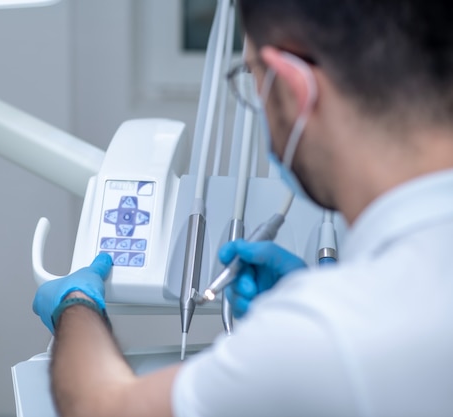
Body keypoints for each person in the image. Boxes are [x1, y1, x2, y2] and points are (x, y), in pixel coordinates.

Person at [33, 1, 453, 416]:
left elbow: (101, 407)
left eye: (252, 78)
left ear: (293, 88)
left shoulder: (333, 332)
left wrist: (75, 304)